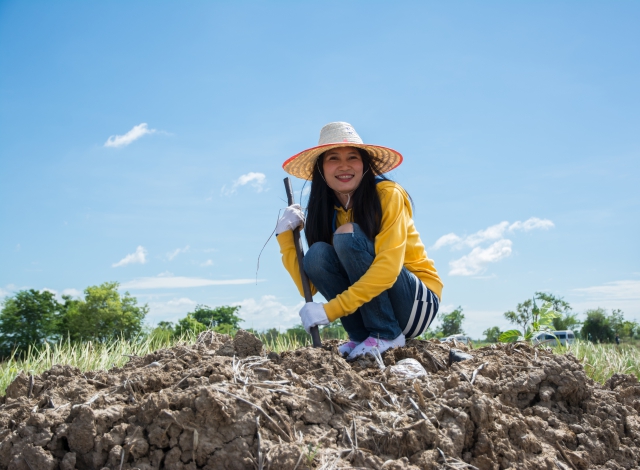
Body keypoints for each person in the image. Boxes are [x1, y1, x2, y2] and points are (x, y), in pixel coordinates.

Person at [276, 122, 443, 359]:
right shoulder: (326, 210)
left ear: (364, 164)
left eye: (352, 157)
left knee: (348, 235)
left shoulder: (388, 194)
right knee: (316, 254)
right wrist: (285, 237)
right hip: (372, 312)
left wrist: (330, 311)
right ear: (321, 169)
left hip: (416, 304)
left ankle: (386, 334)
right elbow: (311, 285)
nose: (344, 166)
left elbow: (388, 269)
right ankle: (361, 337)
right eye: (333, 158)